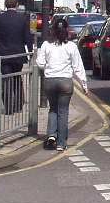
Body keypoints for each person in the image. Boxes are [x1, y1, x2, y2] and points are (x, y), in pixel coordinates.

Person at [36, 18, 88, 151]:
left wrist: (48, 67)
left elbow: (40, 63)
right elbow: (78, 67)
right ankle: (61, 143)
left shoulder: (46, 45)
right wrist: (84, 84)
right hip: (65, 81)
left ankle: (51, 136)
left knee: (53, 108)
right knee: (63, 112)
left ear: (52, 30)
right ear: (66, 31)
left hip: (50, 81)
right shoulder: (71, 46)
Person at [0, 0, 33, 114]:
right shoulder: (23, 18)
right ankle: (19, 105)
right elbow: (27, 37)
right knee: (17, 78)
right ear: (16, 5)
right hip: (18, 54)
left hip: (2, 54)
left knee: (6, 80)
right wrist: (30, 51)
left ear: (5, 5)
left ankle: (9, 107)